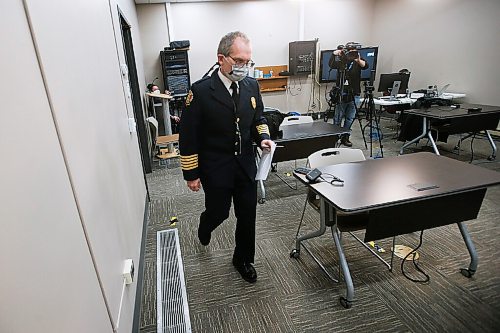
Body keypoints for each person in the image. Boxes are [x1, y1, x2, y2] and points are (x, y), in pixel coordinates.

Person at [179, 31, 273, 283]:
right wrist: (191, 173)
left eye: (248, 62)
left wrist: (262, 136)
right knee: (219, 212)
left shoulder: (252, 85)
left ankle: (242, 258)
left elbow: (258, 119)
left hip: (244, 165)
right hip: (216, 167)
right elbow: (188, 135)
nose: (244, 67)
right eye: (239, 61)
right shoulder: (200, 91)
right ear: (221, 58)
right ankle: (205, 223)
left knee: (247, 215)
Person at [329, 42, 368, 147]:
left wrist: (358, 60)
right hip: (341, 92)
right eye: (349, 51)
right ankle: (335, 137)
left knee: (350, 118)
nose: (351, 54)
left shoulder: (357, 60)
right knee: (337, 117)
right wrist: (334, 54)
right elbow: (331, 64)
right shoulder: (341, 61)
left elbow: (365, 66)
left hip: (354, 93)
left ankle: (345, 137)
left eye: (353, 51)